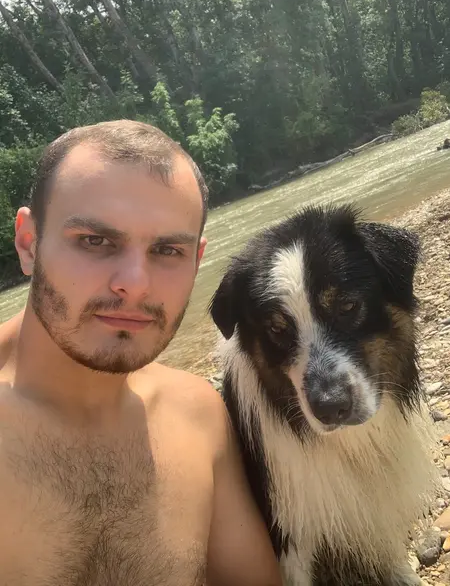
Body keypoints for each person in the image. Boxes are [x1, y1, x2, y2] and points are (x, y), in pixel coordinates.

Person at [0, 120, 282, 585]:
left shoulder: (196, 415)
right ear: (29, 244)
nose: (135, 283)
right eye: (95, 241)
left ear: (197, 259)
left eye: (167, 250)